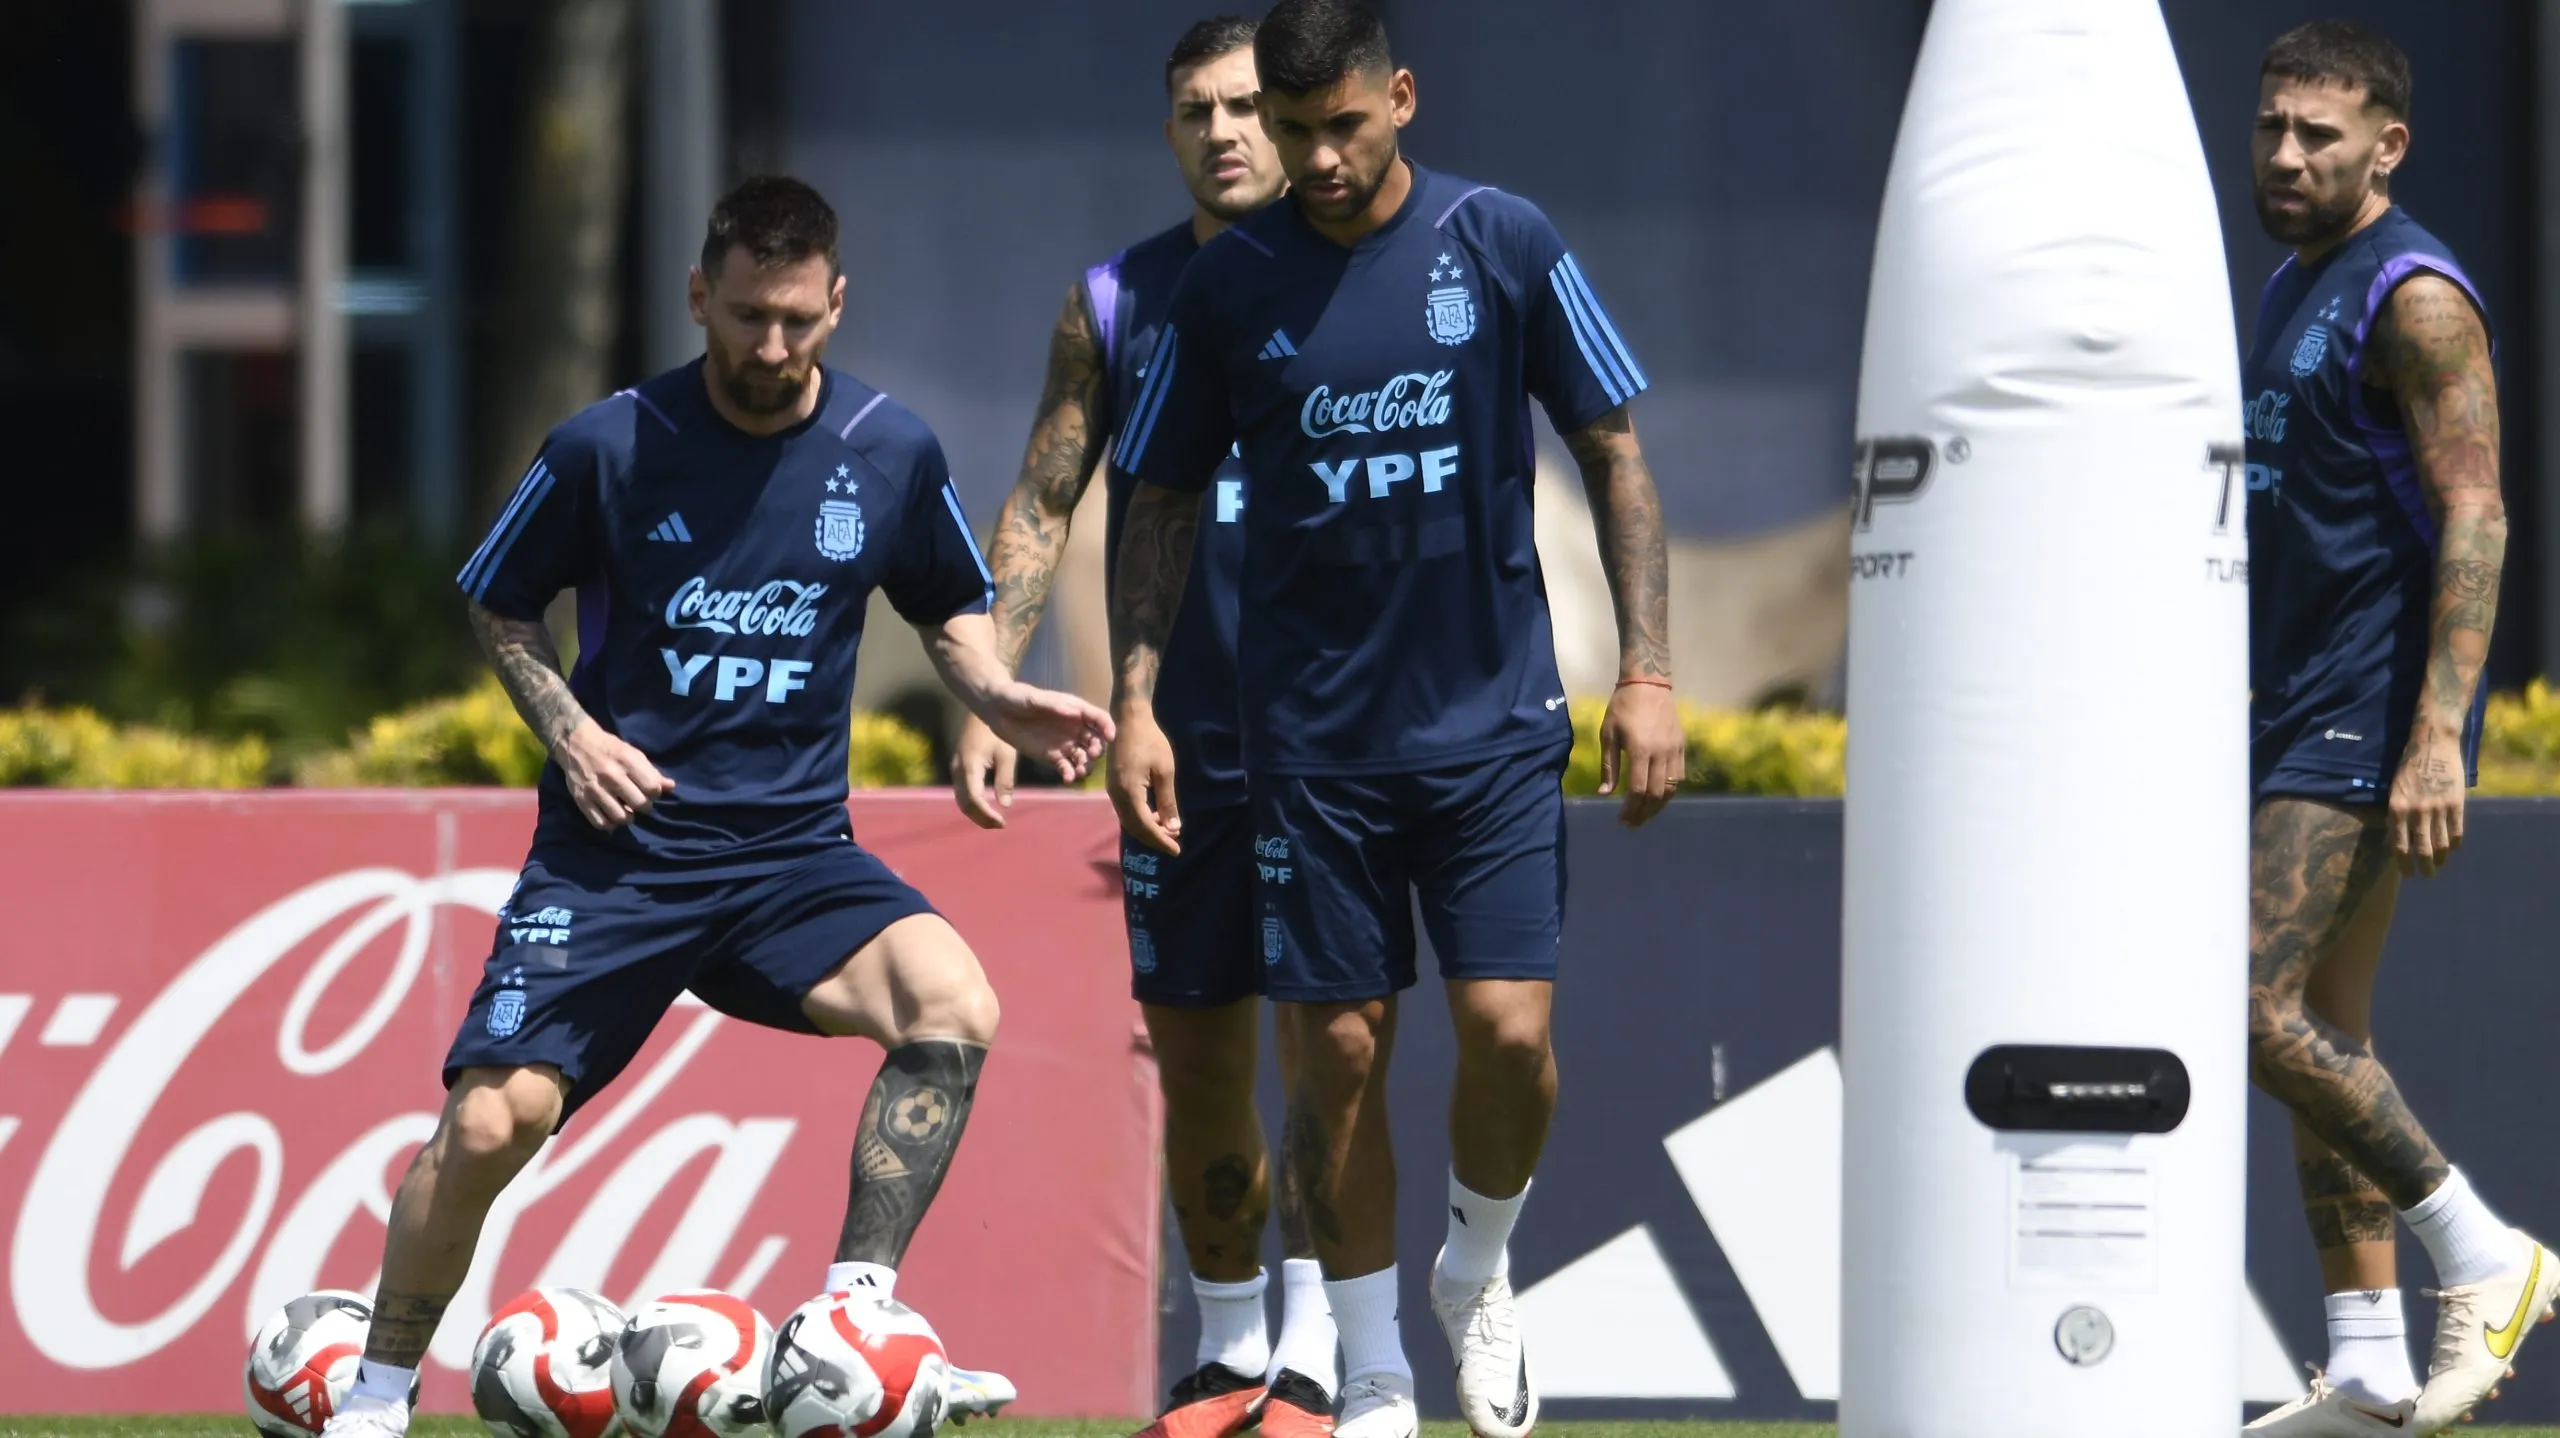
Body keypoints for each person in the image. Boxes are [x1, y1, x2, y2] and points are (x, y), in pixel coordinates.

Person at [320, 176, 1111, 1436]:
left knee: (954, 1002)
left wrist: (997, 693)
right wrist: (571, 730)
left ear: (837, 302)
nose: (771, 346)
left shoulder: (889, 450)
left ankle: (853, 1317)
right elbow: (497, 598)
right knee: (487, 1120)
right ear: (701, 294)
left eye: (798, 319)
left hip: (794, 856)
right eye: (746, 315)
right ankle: (375, 1389)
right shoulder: (608, 444)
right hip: (618, 861)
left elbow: (944, 603)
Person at [1104, 4, 1684, 1436]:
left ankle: (1473, 1270)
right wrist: (1134, 696)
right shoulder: (1228, 286)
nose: (1312, 157)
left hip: (1489, 727)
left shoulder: (1505, 243)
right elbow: (1159, 497)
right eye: (1291, 132)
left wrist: (1651, 669)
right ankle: (1369, 1372)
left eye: (1339, 126)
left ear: (1402, 98)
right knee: (1339, 1053)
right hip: (1308, 745)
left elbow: (1612, 450)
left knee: (1507, 1034)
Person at [949, 16, 1340, 1438]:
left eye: (1248, 106)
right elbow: (1046, 498)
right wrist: (993, 677)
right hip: (1173, 744)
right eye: (1198, 111)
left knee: (1329, 1046)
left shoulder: (1363, 266)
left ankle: (1321, 1350)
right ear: (1168, 130)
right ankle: (1229, 1351)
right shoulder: (1114, 301)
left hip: (1339, 740)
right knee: (1199, 1057)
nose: (1227, 131)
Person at [2233, 22, 2550, 1438]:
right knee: (2323, 1031)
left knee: (2239, 1001)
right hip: (2290, 700)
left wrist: (2440, 731)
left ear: (2388, 146)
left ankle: (2483, 1251)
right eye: (2273, 128)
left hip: (2366, 711)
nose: (2289, 154)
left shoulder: (2413, 295)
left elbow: (2477, 508)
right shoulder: (2294, 279)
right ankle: (2363, 1368)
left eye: (2321, 133)